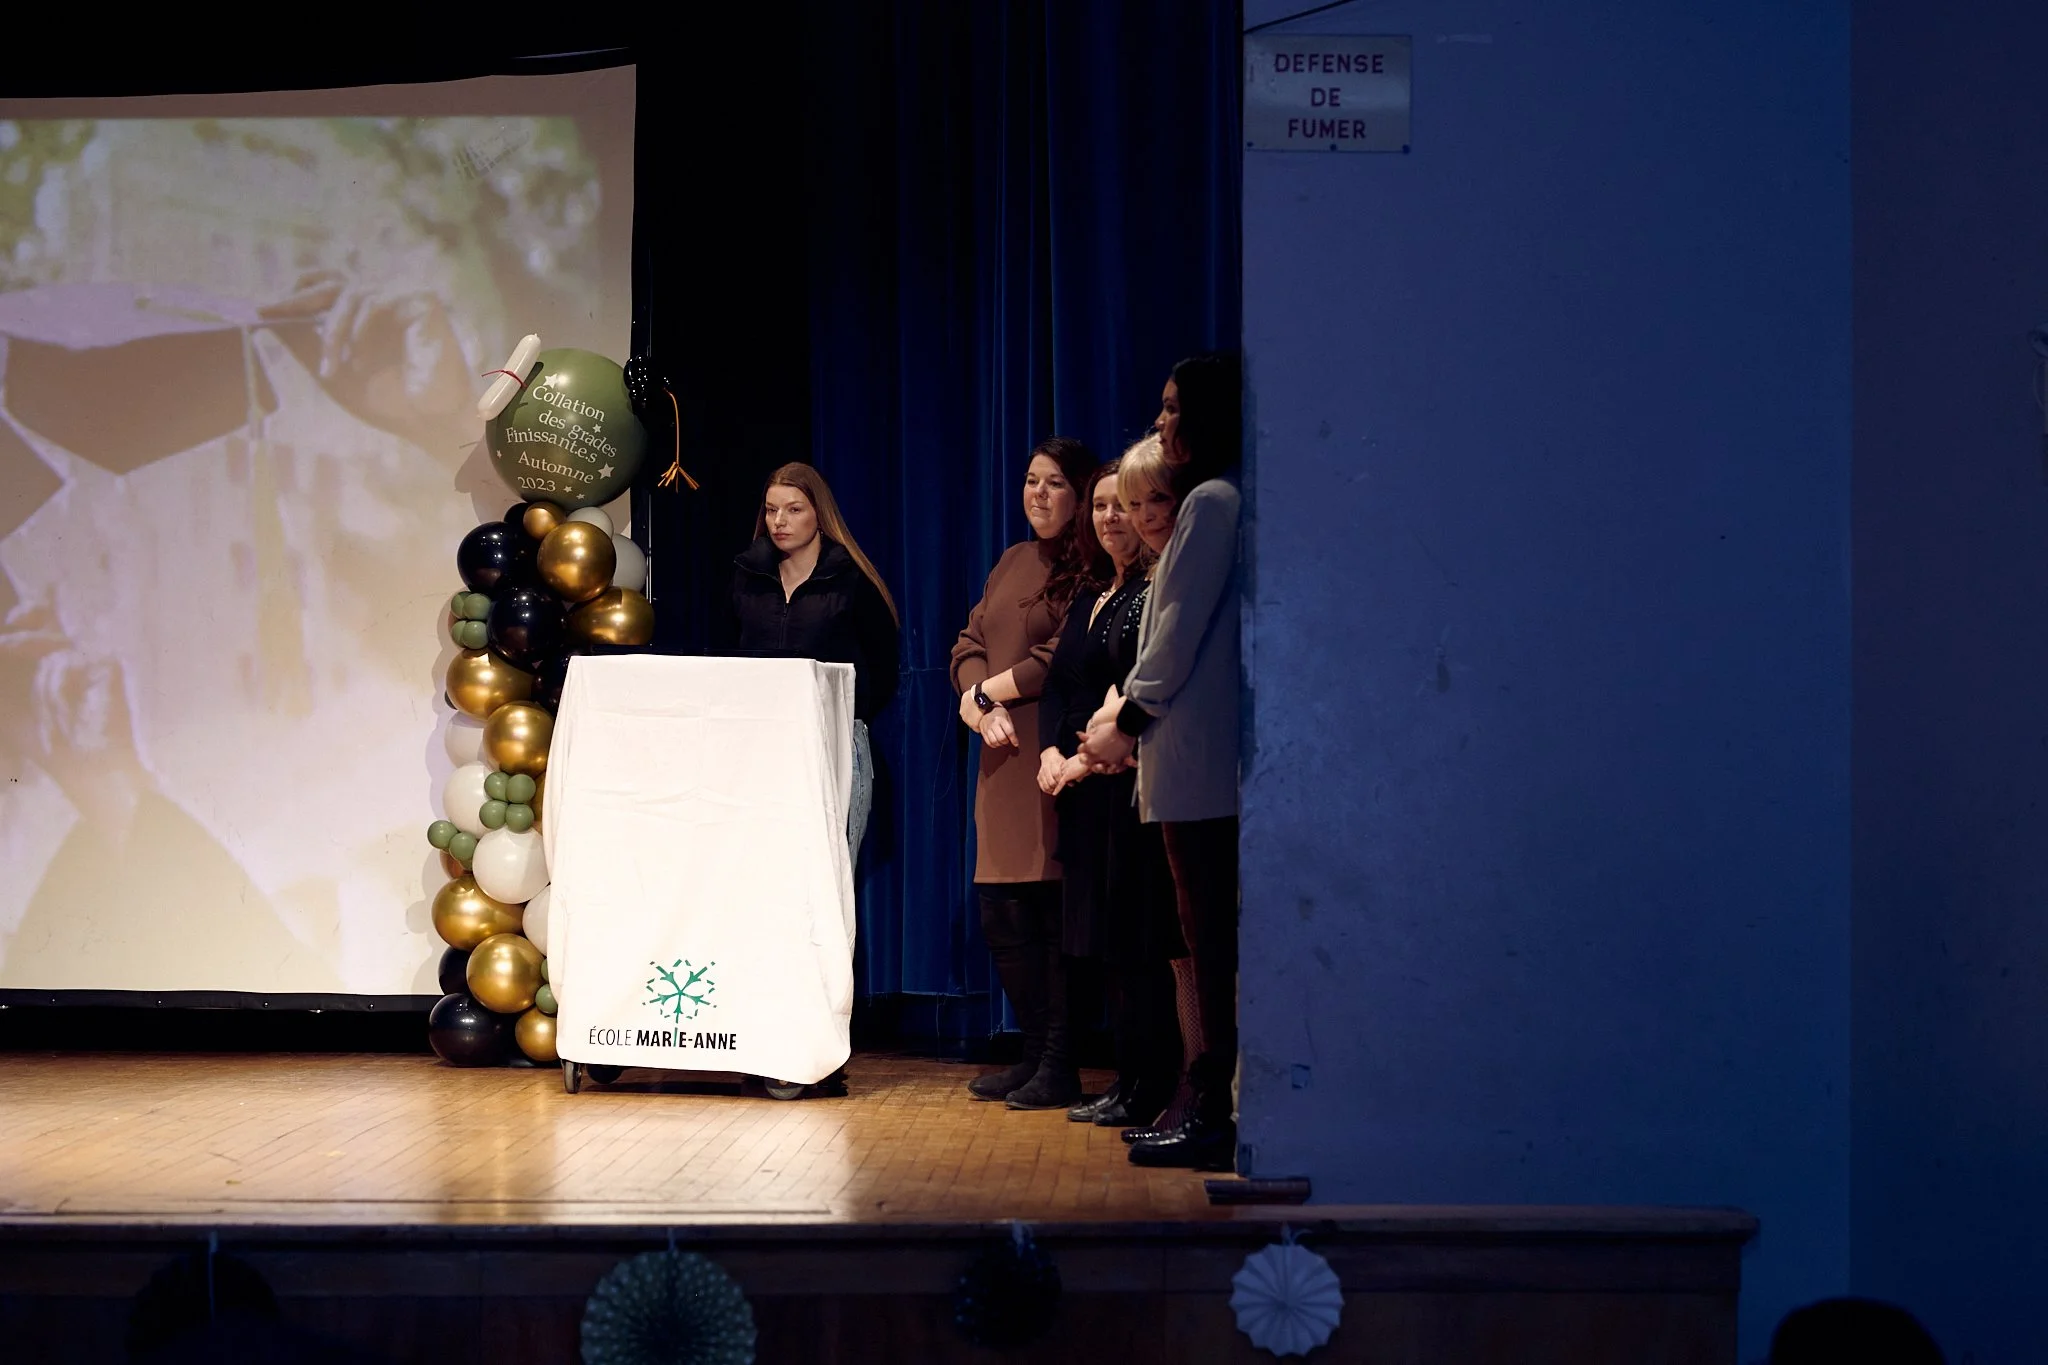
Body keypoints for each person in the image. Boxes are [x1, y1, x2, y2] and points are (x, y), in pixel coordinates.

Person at [1082, 352, 1243, 1170]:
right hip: (1182, 756)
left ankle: (1213, 1102)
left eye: (1177, 408)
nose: (1163, 423)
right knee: (1198, 928)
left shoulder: (1212, 504)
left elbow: (1174, 632)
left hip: (1194, 757)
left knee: (1208, 935)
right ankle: (1204, 1096)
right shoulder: (1211, 503)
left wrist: (1127, 718)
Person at [1038, 445, 1186, 1131]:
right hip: (1090, 789)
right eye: (1107, 506)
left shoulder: (1148, 591)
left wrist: (1089, 756)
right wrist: (1055, 749)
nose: (1118, 517)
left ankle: (1154, 1082)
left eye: (1128, 504)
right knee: (1115, 946)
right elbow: (1067, 685)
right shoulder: (1103, 594)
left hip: (1125, 785)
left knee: (1142, 944)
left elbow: (1133, 688)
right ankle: (1130, 1080)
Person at [952, 436, 1098, 1109]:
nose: (1039, 494)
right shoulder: (1012, 559)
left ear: (1080, 493)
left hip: (1048, 749)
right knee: (1000, 913)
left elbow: (1056, 655)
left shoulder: (1089, 565)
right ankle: (1034, 1050)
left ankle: (1061, 1062)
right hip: (999, 752)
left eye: (1055, 483)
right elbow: (969, 642)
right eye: (1030, 481)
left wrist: (989, 694)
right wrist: (976, 703)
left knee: (1048, 912)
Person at [729, 462, 901, 860]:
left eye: (793, 509)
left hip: (834, 742)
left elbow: (882, 666)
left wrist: (845, 714)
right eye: (771, 510)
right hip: (759, 744)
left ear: (819, 515)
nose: (779, 521)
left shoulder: (851, 580)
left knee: (831, 871)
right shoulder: (746, 577)